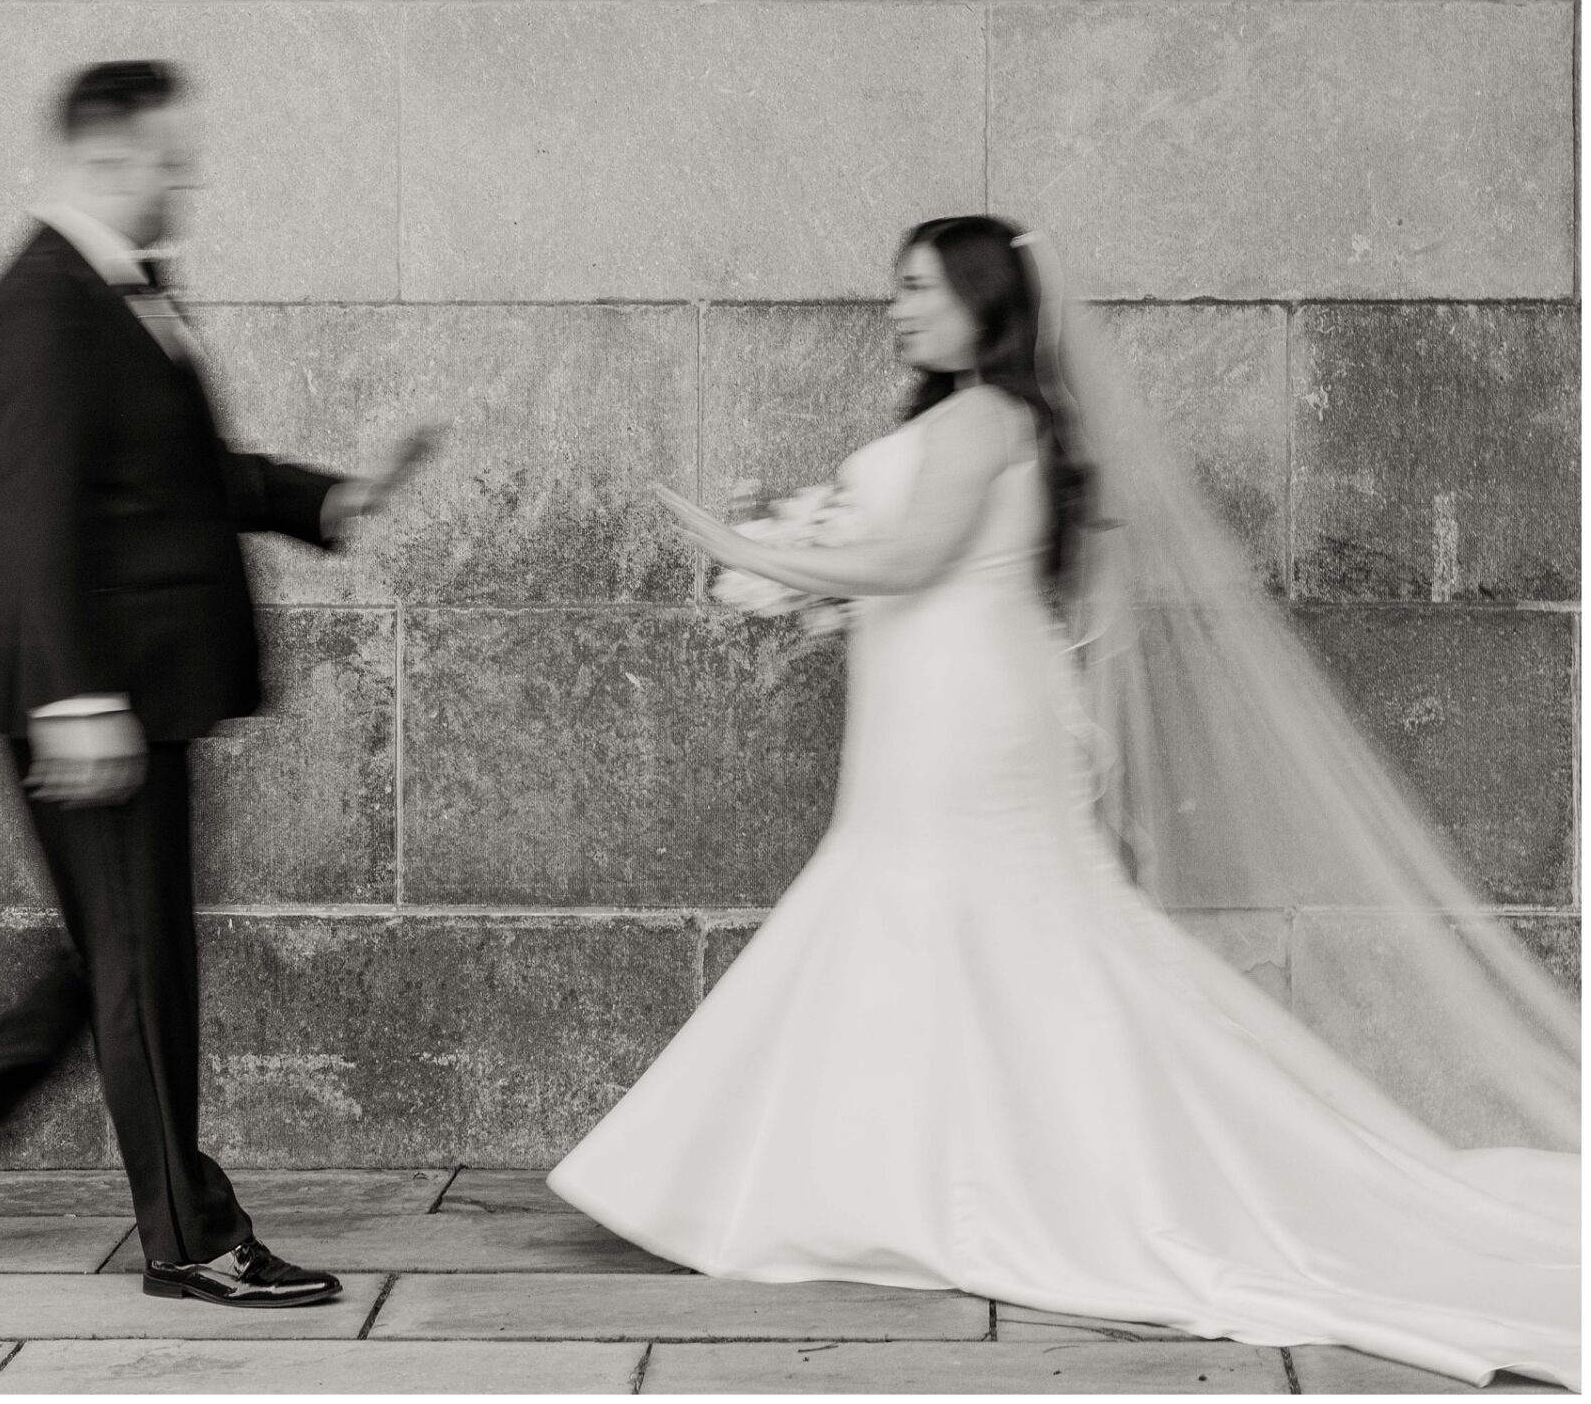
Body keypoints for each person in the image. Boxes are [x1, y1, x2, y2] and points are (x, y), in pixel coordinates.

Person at [549, 215, 1579, 1390]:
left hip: (964, 714)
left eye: (919, 289)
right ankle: (901, 1174)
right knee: (944, 912)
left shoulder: (986, 415)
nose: (897, 309)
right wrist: (803, 560)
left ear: (984, 302)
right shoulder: (984, 418)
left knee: (954, 907)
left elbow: (906, 562)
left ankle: (926, 1179)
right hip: (947, 696)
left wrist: (751, 546)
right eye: (897, 288)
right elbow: (915, 562)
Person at [0, 60, 437, 1306]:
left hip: (126, 690)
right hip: (95, 693)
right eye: (172, 159)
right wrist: (75, 695)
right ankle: (190, 1236)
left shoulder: (114, 294)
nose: (187, 180)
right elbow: (39, 514)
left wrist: (319, 498)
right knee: (141, 963)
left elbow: (174, 470)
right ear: (110, 158)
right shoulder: (46, 305)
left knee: (115, 957)